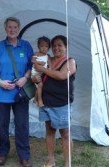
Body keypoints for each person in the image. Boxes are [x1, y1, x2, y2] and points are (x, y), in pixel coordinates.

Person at [0, 17, 34, 167]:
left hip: (20, 93)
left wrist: (25, 78)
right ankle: (2, 153)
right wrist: (0, 82)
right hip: (0, 94)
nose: (12, 30)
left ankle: (24, 156)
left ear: (18, 28)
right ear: (5, 29)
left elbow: (31, 66)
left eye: (15, 27)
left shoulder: (26, 46)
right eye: (9, 27)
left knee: (22, 125)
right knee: (1, 125)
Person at [32, 35, 76, 167]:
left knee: (65, 133)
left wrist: (43, 69)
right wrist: (35, 78)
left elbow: (62, 75)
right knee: (50, 131)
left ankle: (68, 163)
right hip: (46, 102)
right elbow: (36, 71)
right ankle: (51, 160)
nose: (56, 48)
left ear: (66, 47)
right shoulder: (48, 60)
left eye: (60, 45)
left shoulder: (70, 62)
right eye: (54, 45)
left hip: (62, 103)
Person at [31, 36, 51, 108]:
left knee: (41, 86)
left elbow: (50, 65)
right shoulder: (37, 53)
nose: (44, 48)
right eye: (42, 46)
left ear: (49, 48)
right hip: (35, 73)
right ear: (38, 46)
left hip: (43, 73)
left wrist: (49, 69)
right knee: (40, 85)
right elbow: (32, 60)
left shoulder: (48, 56)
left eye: (46, 46)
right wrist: (39, 63)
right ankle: (39, 100)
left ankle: (35, 99)